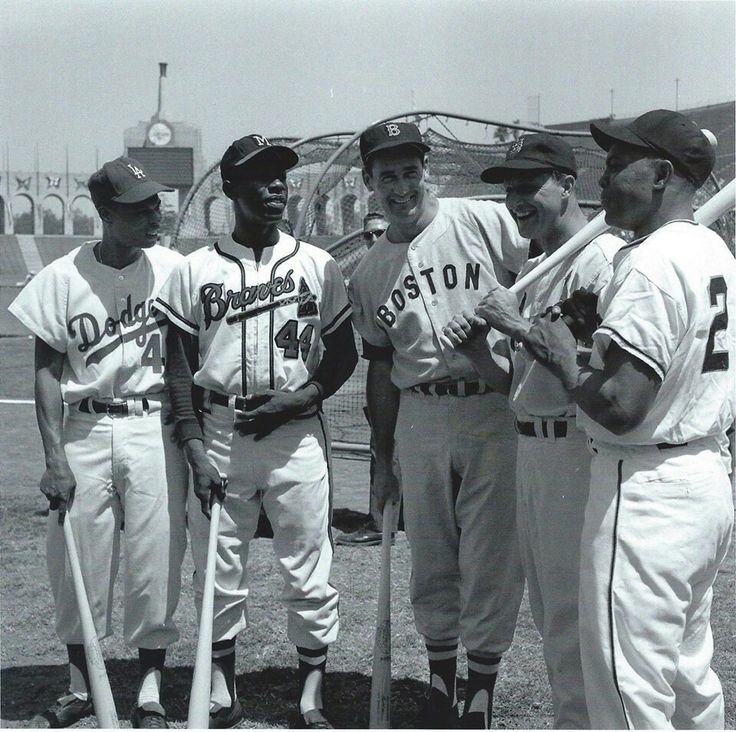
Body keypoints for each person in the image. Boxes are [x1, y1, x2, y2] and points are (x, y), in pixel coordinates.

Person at [517, 110, 734, 728]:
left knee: (627, 689)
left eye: (618, 165)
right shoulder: (712, 248)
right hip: (703, 477)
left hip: (645, 488)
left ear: (663, 174)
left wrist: (560, 355)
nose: (604, 178)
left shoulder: (651, 263)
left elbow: (620, 405)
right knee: (689, 676)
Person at [154, 134, 358, 729]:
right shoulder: (195, 269)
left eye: (281, 175)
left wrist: (300, 397)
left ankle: (311, 692)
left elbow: (342, 354)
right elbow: (177, 368)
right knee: (217, 567)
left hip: (294, 435)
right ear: (230, 189)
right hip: (219, 428)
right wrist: (192, 447)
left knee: (308, 563)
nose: (276, 186)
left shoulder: (317, 264)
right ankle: (220, 687)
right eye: (261, 176)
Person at [348, 121, 528, 729]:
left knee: (490, 551)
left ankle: (481, 686)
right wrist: (381, 458)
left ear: (427, 171)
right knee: (432, 553)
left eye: (409, 172)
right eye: (386, 176)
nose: (401, 187)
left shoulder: (481, 221)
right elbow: (378, 366)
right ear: (369, 182)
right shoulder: (369, 270)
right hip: (420, 412)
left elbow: (542, 271)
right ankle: (439, 675)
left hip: (491, 402)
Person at [442, 133, 622, 728]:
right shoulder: (538, 263)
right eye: (509, 188)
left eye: (529, 186)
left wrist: (513, 325)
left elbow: (582, 368)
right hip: (531, 448)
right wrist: (478, 348)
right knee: (550, 616)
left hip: (576, 450)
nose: (516, 200)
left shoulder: (597, 259)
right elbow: (519, 387)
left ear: (568, 185)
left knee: (578, 617)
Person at [8, 157, 189, 728]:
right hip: (85, 423)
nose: (153, 215)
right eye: (139, 209)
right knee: (76, 557)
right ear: (107, 215)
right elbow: (45, 370)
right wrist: (54, 458)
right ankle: (80, 683)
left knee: (156, 555)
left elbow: (189, 356)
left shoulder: (173, 269)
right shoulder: (63, 277)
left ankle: (150, 687)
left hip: (152, 423)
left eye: (156, 204)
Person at [335, 211, 404, 547]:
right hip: (385, 375)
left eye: (380, 232)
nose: (374, 240)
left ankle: (398, 517)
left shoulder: (409, 265)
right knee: (381, 443)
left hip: (419, 382)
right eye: (368, 235)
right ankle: (380, 520)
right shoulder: (366, 277)